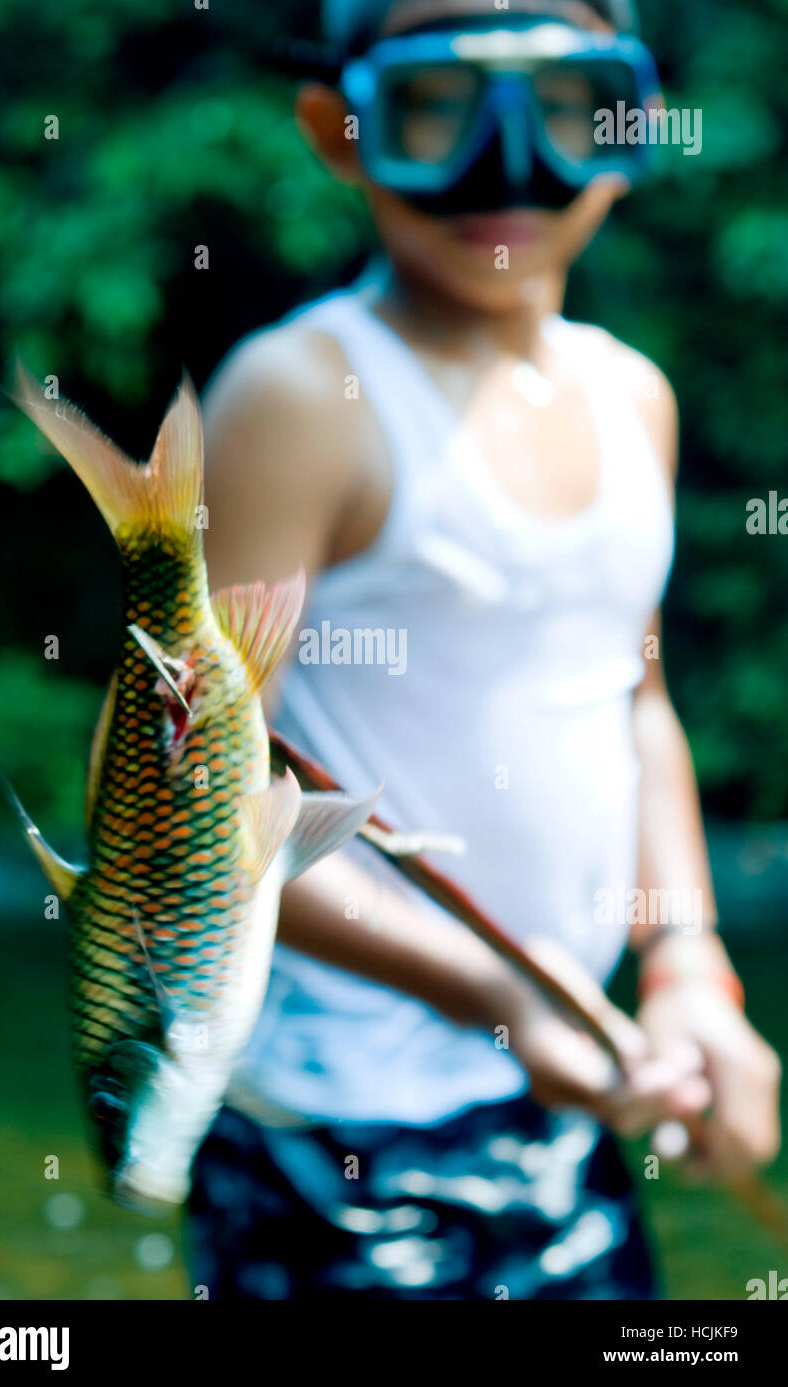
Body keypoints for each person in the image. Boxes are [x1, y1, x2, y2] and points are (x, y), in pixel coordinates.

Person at [187, 0, 781, 1300]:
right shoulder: (300, 397)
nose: (501, 168)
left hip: (574, 1084)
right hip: (338, 1132)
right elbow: (195, 810)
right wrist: (489, 992)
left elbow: (634, 704)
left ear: (623, 128)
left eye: (559, 107)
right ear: (337, 131)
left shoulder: (630, 394)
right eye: (437, 108)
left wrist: (685, 968)